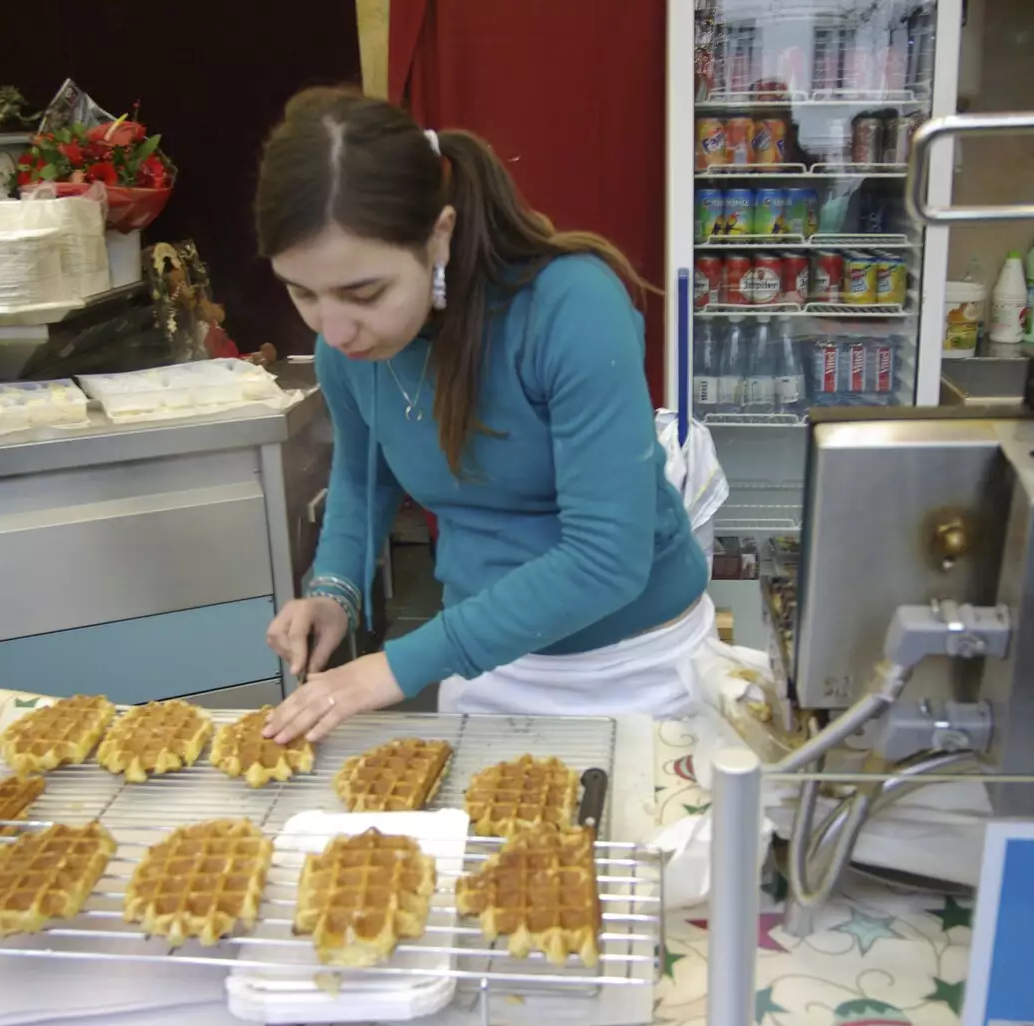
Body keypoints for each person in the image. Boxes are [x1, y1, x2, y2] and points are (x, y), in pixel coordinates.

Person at [254, 88, 711, 743]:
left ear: (437, 237)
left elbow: (606, 558)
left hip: (637, 664)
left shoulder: (570, 306)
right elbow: (363, 476)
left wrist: (393, 668)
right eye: (302, 293)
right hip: (485, 659)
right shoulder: (344, 348)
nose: (336, 329)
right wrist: (332, 592)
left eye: (364, 293)